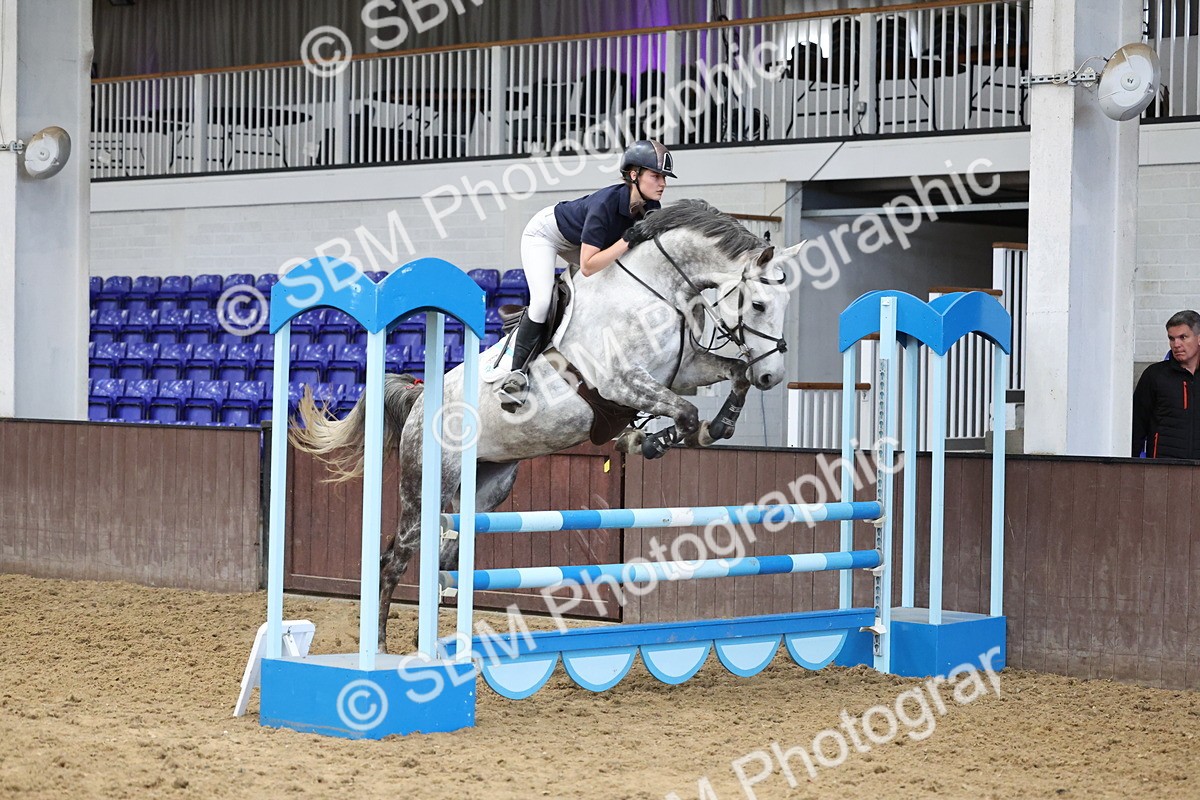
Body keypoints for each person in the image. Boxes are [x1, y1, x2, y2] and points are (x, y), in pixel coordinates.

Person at [496, 139, 677, 411]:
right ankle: (516, 374)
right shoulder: (606, 204)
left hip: (584, 242)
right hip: (546, 235)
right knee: (543, 301)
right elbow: (589, 266)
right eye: (655, 176)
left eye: (664, 177)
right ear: (633, 175)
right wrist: (627, 240)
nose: (662, 183)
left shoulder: (651, 209)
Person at [1132, 309, 1200, 459]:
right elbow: (1137, 426)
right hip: (1162, 470)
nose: (1176, 344)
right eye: (1171, 338)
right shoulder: (1155, 375)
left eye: (1183, 337)